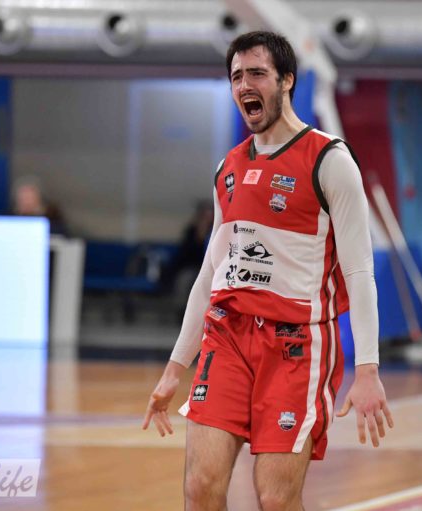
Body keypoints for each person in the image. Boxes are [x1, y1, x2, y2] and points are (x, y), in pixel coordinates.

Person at [142, 31, 393, 510]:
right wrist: (175, 369)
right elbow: (210, 273)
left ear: (286, 81)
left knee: (276, 498)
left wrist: (368, 369)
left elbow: (360, 272)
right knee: (200, 486)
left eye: (257, 73)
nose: (244, 85)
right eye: (237, 76)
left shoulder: (330, 159)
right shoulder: (228, 168)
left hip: (296, 344)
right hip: (228, 337)